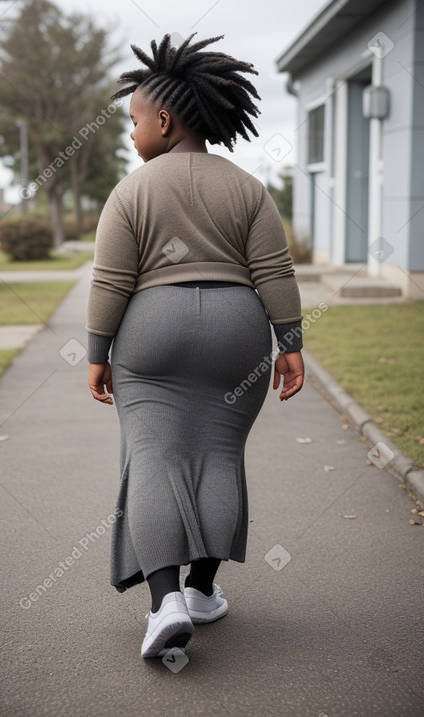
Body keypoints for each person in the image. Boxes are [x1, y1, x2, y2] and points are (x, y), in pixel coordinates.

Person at [87, 33, 304, 659]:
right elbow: (276, 270)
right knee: (218, 454)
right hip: (238, 332)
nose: (131, 134)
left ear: (163, 118)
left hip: (152, 329)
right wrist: (289, 341)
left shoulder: (134, 190)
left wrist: (98, 350)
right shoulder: (246, 187)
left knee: (153, 456)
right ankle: (203, 591)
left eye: (133, 121)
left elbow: (111, 279)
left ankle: (165, 604)